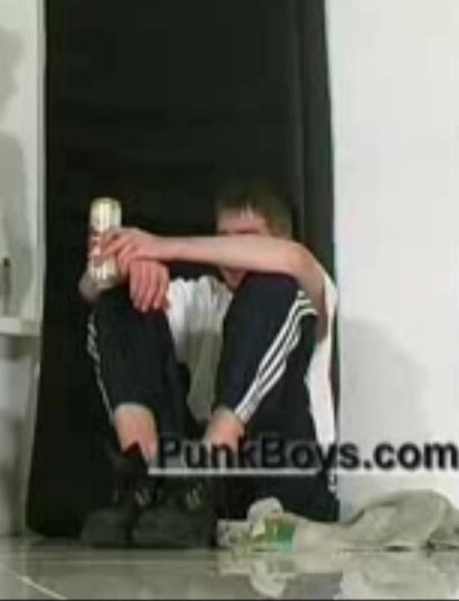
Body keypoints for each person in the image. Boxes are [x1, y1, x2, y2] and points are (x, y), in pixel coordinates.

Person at [78, 179, 339, 548]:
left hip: (288, 480)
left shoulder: (305, 289)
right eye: (223, 239)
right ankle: (142, 484)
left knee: (272, 288)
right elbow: (89, 291)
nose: (230, 253)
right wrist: (129, 269)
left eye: (246, 239)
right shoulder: (204, 297)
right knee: (119, 302)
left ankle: (206, 471)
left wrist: (160, 246)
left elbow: (294, 261)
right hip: (201, 500)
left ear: (279, 240)